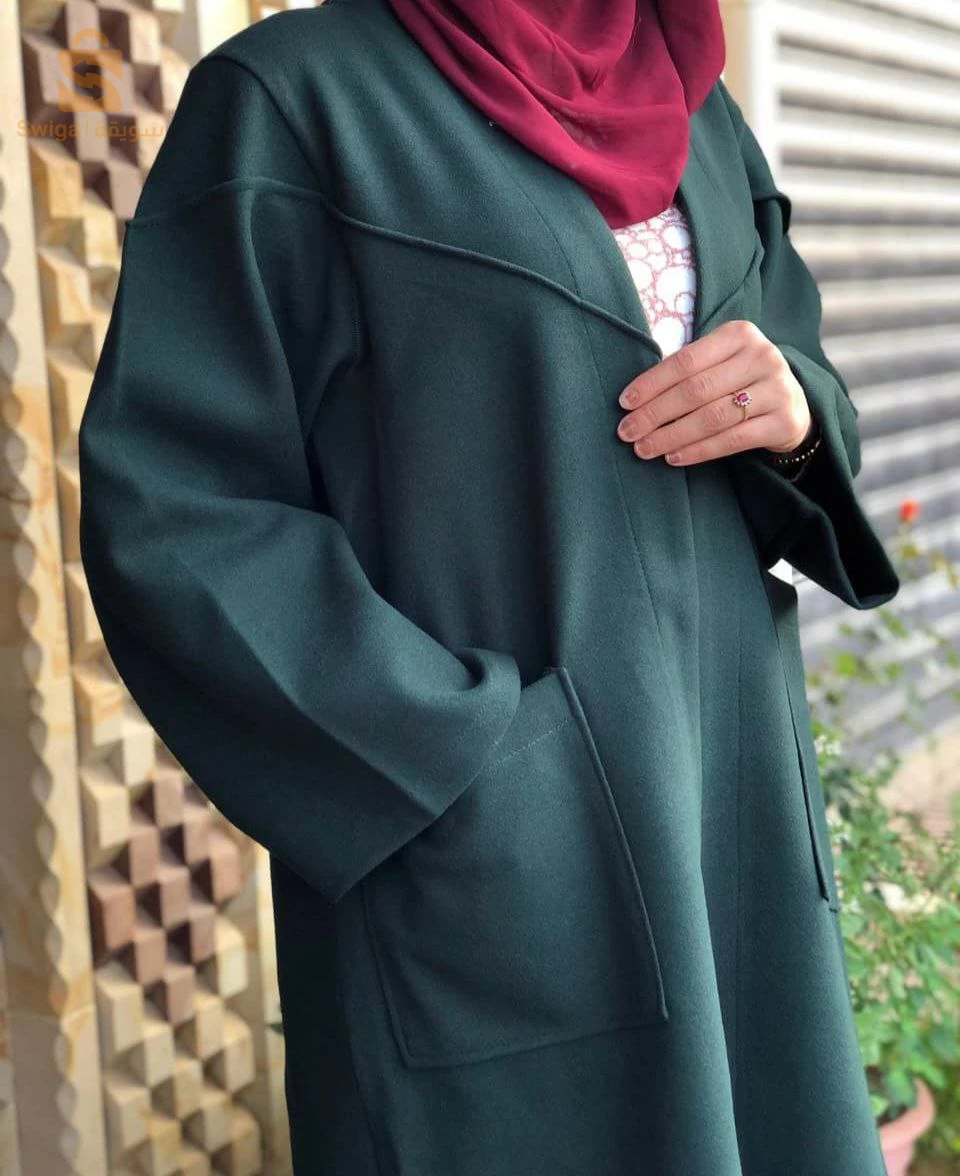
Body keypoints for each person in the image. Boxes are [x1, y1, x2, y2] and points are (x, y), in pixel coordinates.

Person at [77, 0, 901, 1172]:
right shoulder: (295, 102)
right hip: (489, 854)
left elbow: (799, 370)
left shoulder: (696, 107)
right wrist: (466, 761)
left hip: (734, 809)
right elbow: (178, 508)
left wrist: (797, 410)